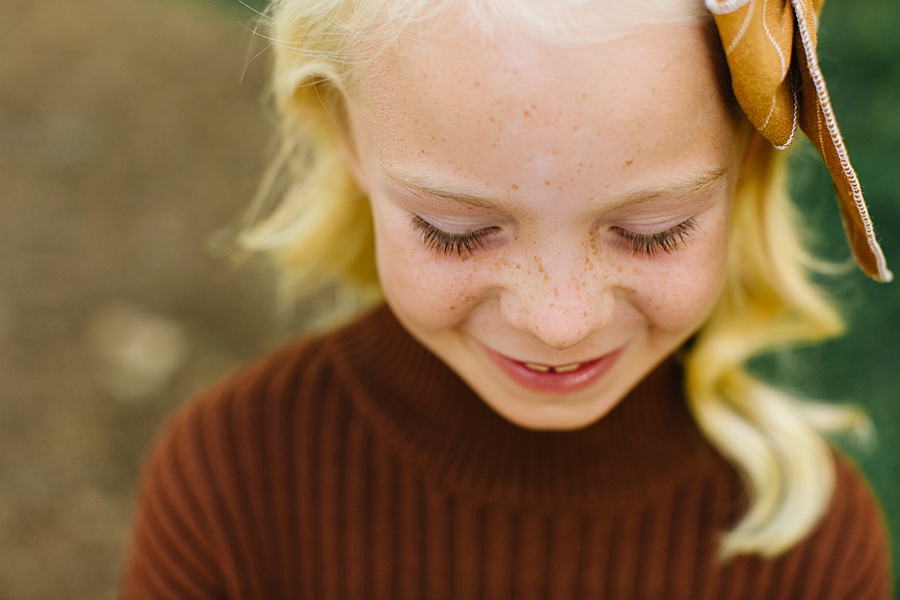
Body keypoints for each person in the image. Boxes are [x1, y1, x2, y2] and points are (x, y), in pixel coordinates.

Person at [120, 0, 893, 597]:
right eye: (458, 231)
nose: (560, 322)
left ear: (744, 160)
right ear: (345, 133)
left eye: (652, 232)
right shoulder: (229, 489)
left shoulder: (811, 557)